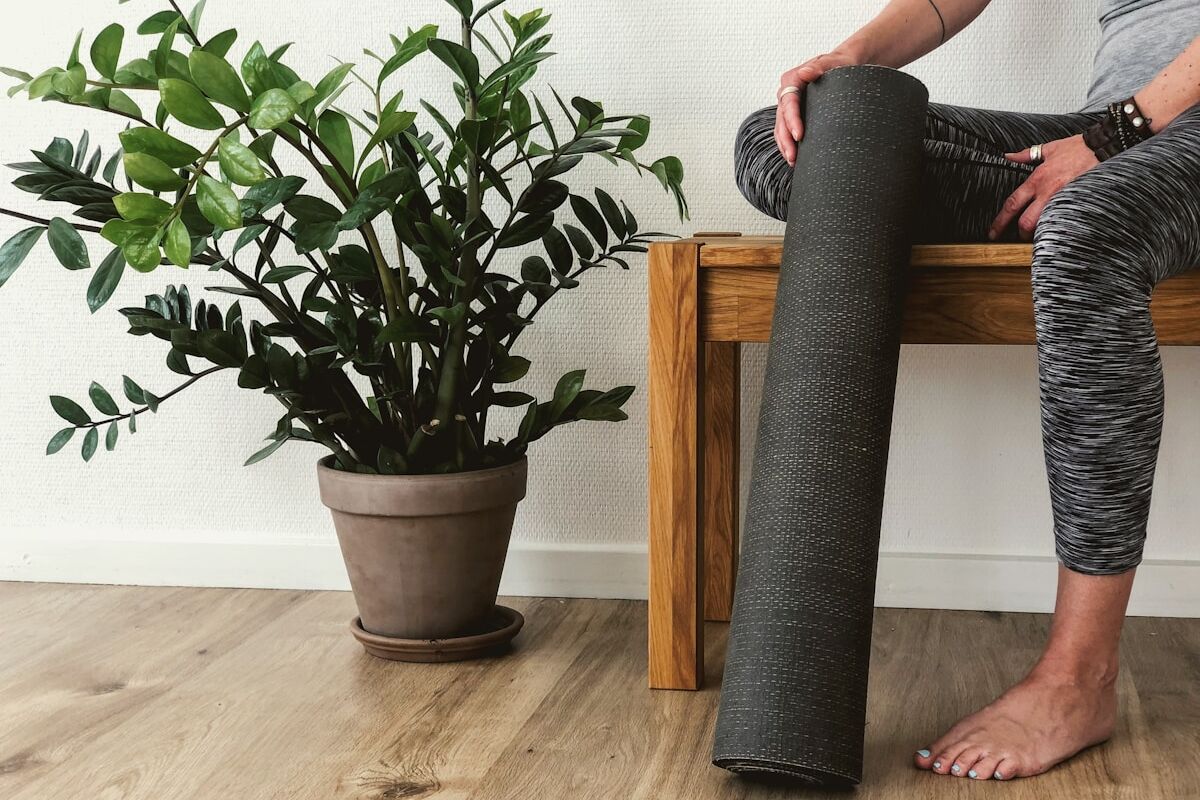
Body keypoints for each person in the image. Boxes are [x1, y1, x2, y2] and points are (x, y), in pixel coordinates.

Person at [733, 0, 1200, 783]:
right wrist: (854, 60)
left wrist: (1114, 135)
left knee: (1083, 229)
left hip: (1130, 138)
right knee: (807, 140)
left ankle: (1080, 679)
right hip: (1119, 135)